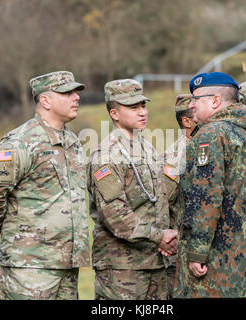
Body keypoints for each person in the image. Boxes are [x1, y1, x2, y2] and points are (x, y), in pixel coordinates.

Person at [0, 71, 90, 300]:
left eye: (76, 92)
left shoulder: (72, 142)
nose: (76, 97)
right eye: (67, 93)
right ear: (45, 100)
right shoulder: (21, 141)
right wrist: (9, 227)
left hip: (67, 265)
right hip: (29, 266)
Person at [174, 72, 246, 298]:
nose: (190, 106)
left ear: (215, 101)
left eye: (195, 99)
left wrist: (197, 253)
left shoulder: (212, 133)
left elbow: (206, 198)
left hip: (220, 271)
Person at [87, 79, 177, 300]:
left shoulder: (147, 148)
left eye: (143, 106)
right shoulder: (106, 155)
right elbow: (115, 215)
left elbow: (159, 200)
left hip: (154, 261)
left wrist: (167, 238)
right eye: (133, 107)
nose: (142, 112)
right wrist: (159, 237)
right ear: (115, 114)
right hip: (122, 267)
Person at [159, 94, 197, 298]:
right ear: (186, 121)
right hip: (182, 254)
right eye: (196, 113)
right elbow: (163, 204)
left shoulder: (208, 147)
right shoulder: (174, 158)